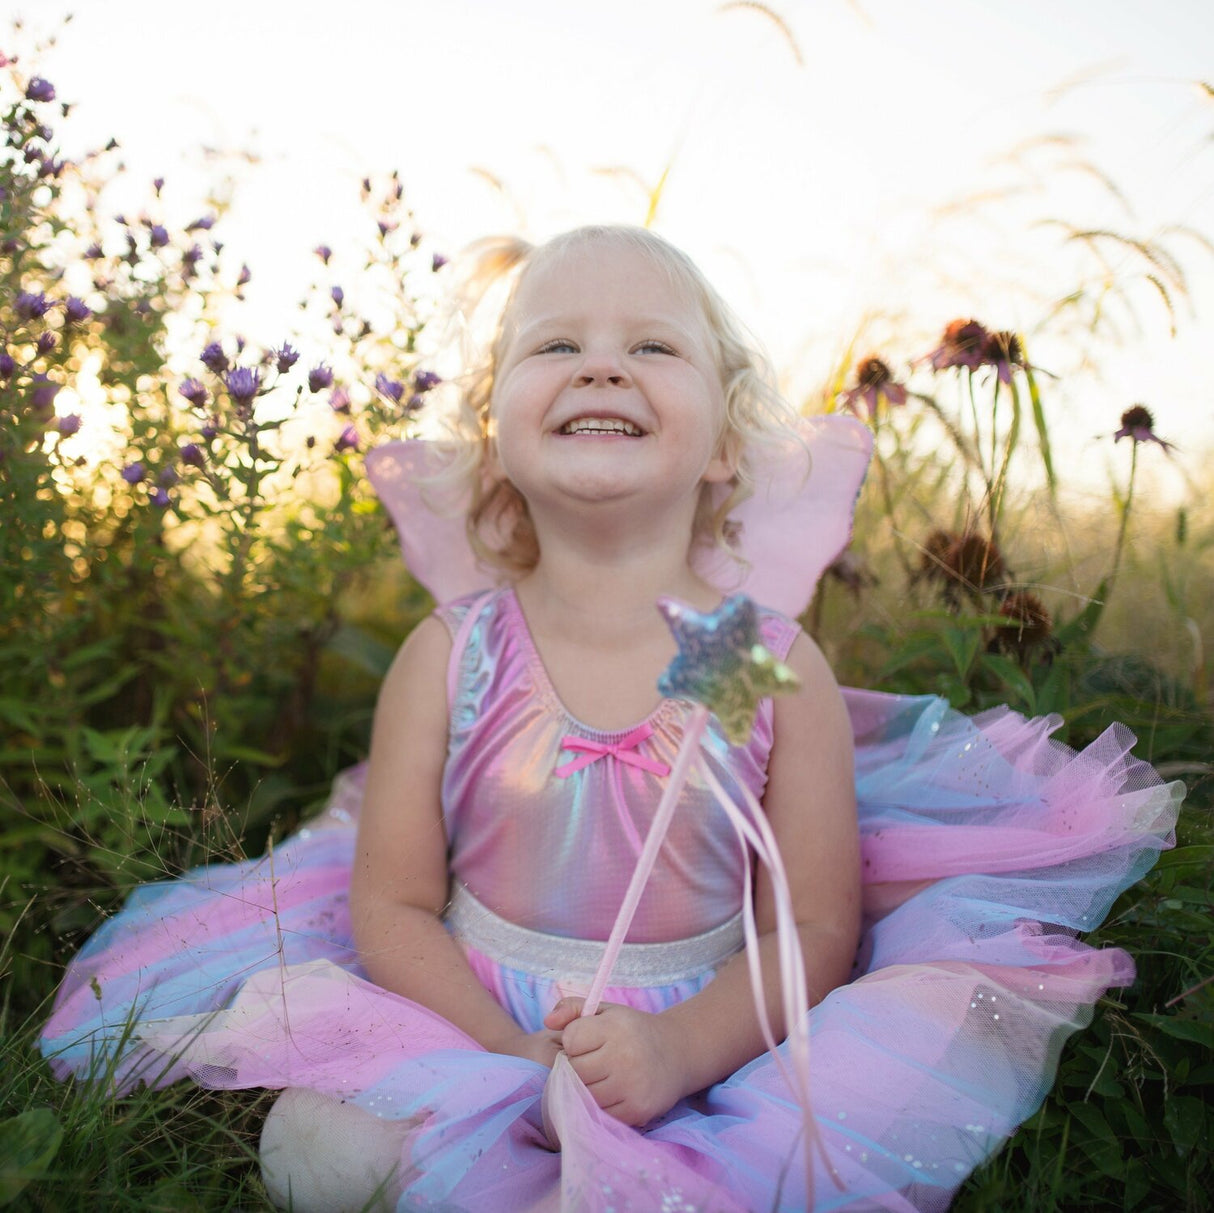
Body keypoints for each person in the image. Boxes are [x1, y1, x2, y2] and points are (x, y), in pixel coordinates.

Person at [41, 226, 1181, 1213]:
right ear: (495, 432)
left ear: (726, 443)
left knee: (772, 1163)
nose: (601, 367)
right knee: (316, 1150)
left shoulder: (752, 664)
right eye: (555, 344)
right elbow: (387, 905)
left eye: (650, 346)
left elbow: (812, 929)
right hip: (470, 1015)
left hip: (709, 1028)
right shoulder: (454, 656)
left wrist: (676, 1051)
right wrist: (510, 1055)